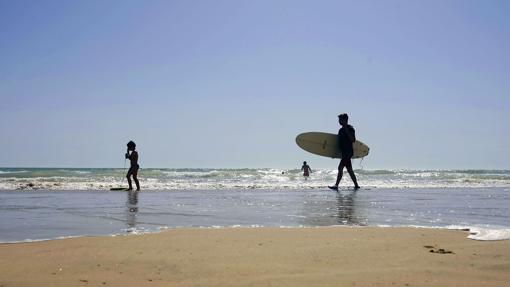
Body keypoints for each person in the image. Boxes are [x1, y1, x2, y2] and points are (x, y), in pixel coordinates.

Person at [329, 113, 360, 190]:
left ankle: (336, 185)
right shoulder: (340, 130)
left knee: (340, 168)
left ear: (345, 120)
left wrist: (347, 131)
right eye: (339, 120)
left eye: (340, 120)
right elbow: (339, 143)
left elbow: (353, 140)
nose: (339, 121)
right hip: (344, 152)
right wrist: (334, 154)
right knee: (349, 170)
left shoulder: (350, 128)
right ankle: (356, 185)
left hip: (348, 152)